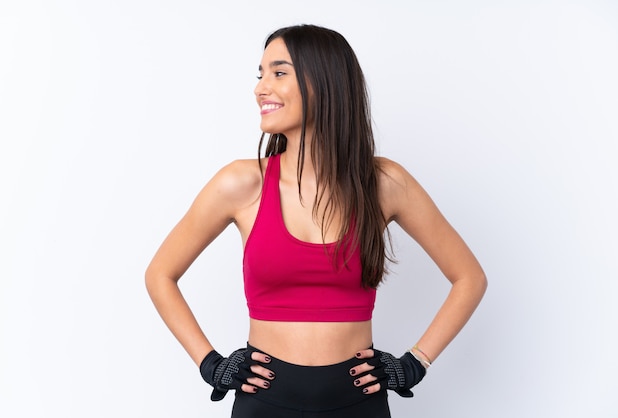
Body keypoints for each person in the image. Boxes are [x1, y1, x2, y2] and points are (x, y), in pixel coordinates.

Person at [145, 24, 487, 418]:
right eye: (260, 75)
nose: (260, 88)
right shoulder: (241, 184)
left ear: (323, 83)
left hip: (359, 403)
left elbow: (469, 277)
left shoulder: (384, 183)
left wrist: (414, 363)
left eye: (278, 73)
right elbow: (160, 274)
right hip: (265, 403)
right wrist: (210, 364)